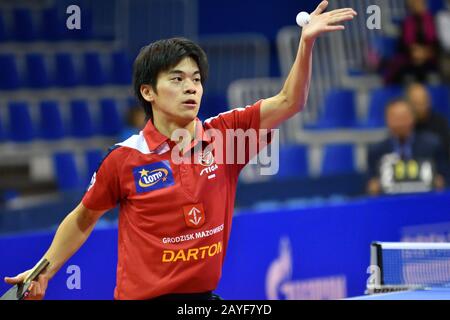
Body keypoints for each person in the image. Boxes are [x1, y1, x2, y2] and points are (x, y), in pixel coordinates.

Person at [4, 1, 356, 300]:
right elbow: (83, 218)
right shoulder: (124, 158)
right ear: (148, 92)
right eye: (177, 79)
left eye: (196, 79)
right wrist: (43, 269)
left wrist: (306, 45)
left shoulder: (226, 135)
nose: (191, 88)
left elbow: (290, 102)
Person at [367, 98, 448, 196]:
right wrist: (373, 187)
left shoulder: (432, 145)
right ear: (387, 120)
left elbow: (445, 179)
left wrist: (440, 182)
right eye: (395, 118)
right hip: (390, 205)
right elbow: (369, 186)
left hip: (424, 202)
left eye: (403, 117)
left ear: (412, 117)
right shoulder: (376, 151)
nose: (400, 122)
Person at [384, 0, 440, 84]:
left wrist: (425, 53)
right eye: (415, 4)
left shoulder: (433, 20)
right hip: (410, 59)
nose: (418, 6)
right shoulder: (406, 22)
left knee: (435, 75)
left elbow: (436, 43)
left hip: (430, 58)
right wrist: (414, 52)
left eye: (420, 3)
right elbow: (403, 45)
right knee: (407, 75)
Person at [406, 82, 450, 161]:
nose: (420, 107)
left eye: (423, 102)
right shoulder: (404, 124)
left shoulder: (440, 123)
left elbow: (445, 152)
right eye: (416, 103)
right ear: (408, 103)